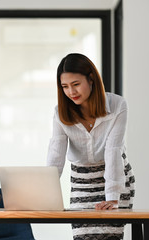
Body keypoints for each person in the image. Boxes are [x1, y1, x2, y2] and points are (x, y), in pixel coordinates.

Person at [47, 53, 135, 240]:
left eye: (76, 84)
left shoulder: (117, 105)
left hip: (115, 176)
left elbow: (113, 151)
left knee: (111, 236)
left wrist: (112, 197)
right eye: (65, 86)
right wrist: (45, 194)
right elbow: (56, 155)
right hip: (82, 179)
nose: (71, 92)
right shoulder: (59, 113)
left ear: (91, 78)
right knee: (83, 236)